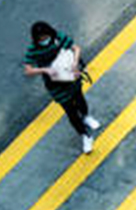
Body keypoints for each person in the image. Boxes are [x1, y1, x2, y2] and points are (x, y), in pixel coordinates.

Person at [22, 22, 98, 154]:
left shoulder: (58, 38)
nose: (44, 40)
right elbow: (28, 70)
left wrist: (75, 63)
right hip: (55, 85)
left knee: (79, 98)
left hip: (70, 76)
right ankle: (85, 135)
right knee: (70, 110)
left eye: (45, 37)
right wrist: (45, 70)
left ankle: (86, 116)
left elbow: (76, 48)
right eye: (40, 39)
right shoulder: (33, 49)